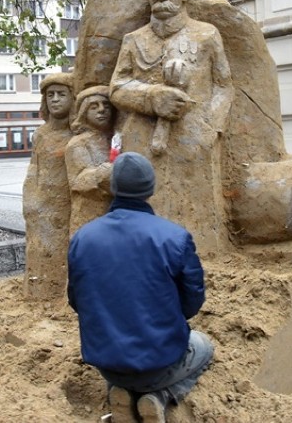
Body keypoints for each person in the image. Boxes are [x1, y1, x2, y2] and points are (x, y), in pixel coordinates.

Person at [68, 152, 213, 423]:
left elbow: (76, 300)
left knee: (125, 370)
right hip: (162, 361)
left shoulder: (82, 238)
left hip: (106, 363)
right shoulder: (175, 237)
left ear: (113, 188)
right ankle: (161, 395)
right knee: (204, 346)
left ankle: (120, 392)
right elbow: (192, 302)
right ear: (151, 188)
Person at [109, 0, 233, 250]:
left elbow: (224, 86)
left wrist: (210, 129)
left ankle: (203, 258)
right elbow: (117, 87)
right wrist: (152, 98)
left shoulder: (207, 35)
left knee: (197, 217)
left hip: (193, 137)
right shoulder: (134, 40)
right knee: (147, 206)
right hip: (143, 138)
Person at [22, 73, 75, 301]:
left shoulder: (78, 133)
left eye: (61, 94)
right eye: (50, 95)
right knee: (41, 249)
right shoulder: (40, 134)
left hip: (69, 203)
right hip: (42, 202)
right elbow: (34, 168)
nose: (55, 100)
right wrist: (30, 198)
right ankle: (40, 291)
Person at [65, 85, 115, 235]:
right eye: (94, 106)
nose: (101, 110)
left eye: (106, 105)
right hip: (90, 212)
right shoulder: (78, 143)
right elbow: (78, 180)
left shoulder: (117, 138)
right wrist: (103, 174)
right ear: (84, 112)